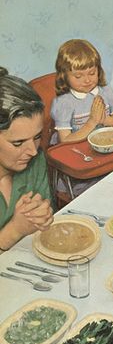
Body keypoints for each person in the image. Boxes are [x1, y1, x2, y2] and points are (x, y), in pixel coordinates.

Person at [0, 67, 53, 252]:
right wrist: (14, 230)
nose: (32, 150)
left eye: (37, 137)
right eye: (18, 143)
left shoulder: (36, 162)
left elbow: (45, 224)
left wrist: (44, 215)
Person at [51, 39, 113, 143]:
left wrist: (105, 120)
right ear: (64, 76)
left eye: (92, 73)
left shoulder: (106, 90)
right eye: (78, 76)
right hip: (74, 149)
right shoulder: (63, 103)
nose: (87, 80)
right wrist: (92, 122)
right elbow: (65, 141)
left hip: (102, 143)